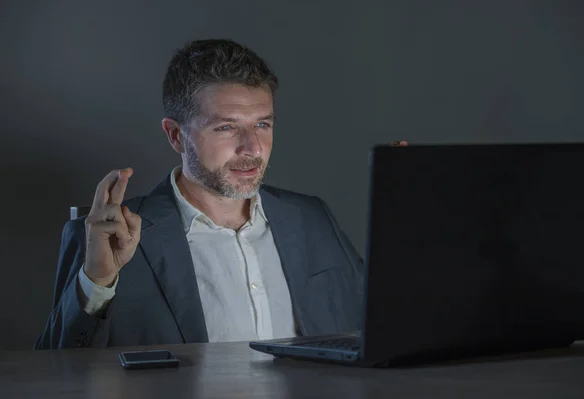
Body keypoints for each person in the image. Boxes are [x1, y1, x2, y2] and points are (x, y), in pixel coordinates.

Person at [35, 39, 364, 349]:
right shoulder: (108, 242)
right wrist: (97, 283)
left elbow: (379, 323)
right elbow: (56, 370)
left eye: (263, 124)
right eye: (226, 127)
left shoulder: (312, 218)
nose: (253, 148)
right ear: (176, 135)